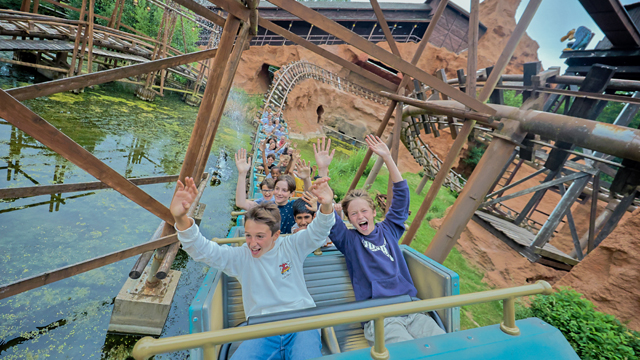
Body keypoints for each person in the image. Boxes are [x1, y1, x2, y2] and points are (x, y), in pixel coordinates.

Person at [171, 176, 336, 360]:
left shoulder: (291, 245)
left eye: (260, 236)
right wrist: (180, 218)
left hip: (302, 323)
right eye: (248, 235)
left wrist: (327, 206)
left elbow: (319, 231)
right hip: (262, 328)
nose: (252, 243)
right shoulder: (241, 257)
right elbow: (203, 250)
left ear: (276, 235)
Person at [315, 135, 445, 345]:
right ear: (348, 219)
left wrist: (387, 158)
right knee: (404, 351)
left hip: (409, 308)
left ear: (374, 212)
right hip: (379, 316)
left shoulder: (390, 229)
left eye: (364, 211)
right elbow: (327, 214)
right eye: (354, 214)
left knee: (442, 343)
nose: (360, 217)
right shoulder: (349, 240)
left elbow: (402, 197)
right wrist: (322, 172)